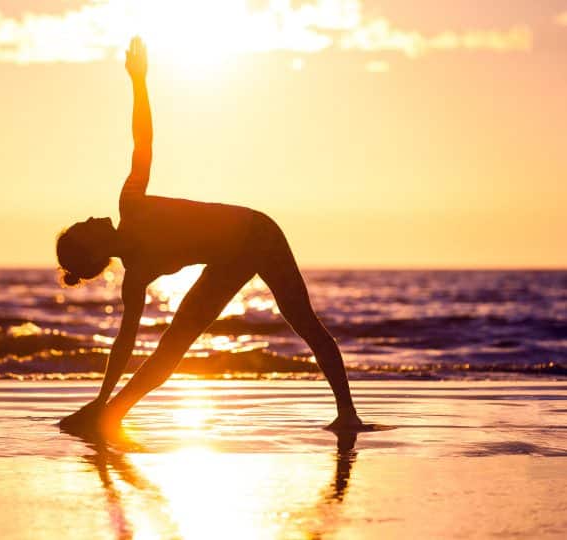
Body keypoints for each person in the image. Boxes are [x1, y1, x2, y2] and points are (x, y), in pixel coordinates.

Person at [58, 37, 363, 436]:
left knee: (301, 320)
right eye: (83, 226)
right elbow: (123, 345)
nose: (89, 217)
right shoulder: (134, 273)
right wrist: (100, 397)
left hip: (256, 233)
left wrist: (139, 81)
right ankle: (111, 413)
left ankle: (348, 413)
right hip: (229, 260)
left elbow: (143, 141)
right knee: (173, 346)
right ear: (92, 249)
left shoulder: (131, 202)